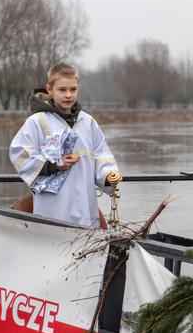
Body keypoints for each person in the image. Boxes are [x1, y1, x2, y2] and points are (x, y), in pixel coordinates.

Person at [10, 63, 118, 228]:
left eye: (73, 89)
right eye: (62, 90)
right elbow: (20, 154)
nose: (68, 95)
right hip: (53, 205)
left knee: (85, 245)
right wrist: (53, 164)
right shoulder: (37, 122)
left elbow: (101, 155)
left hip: (85, 204)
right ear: (49, 89)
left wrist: (108, 176)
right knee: (54, 242)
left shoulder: (88, 122)